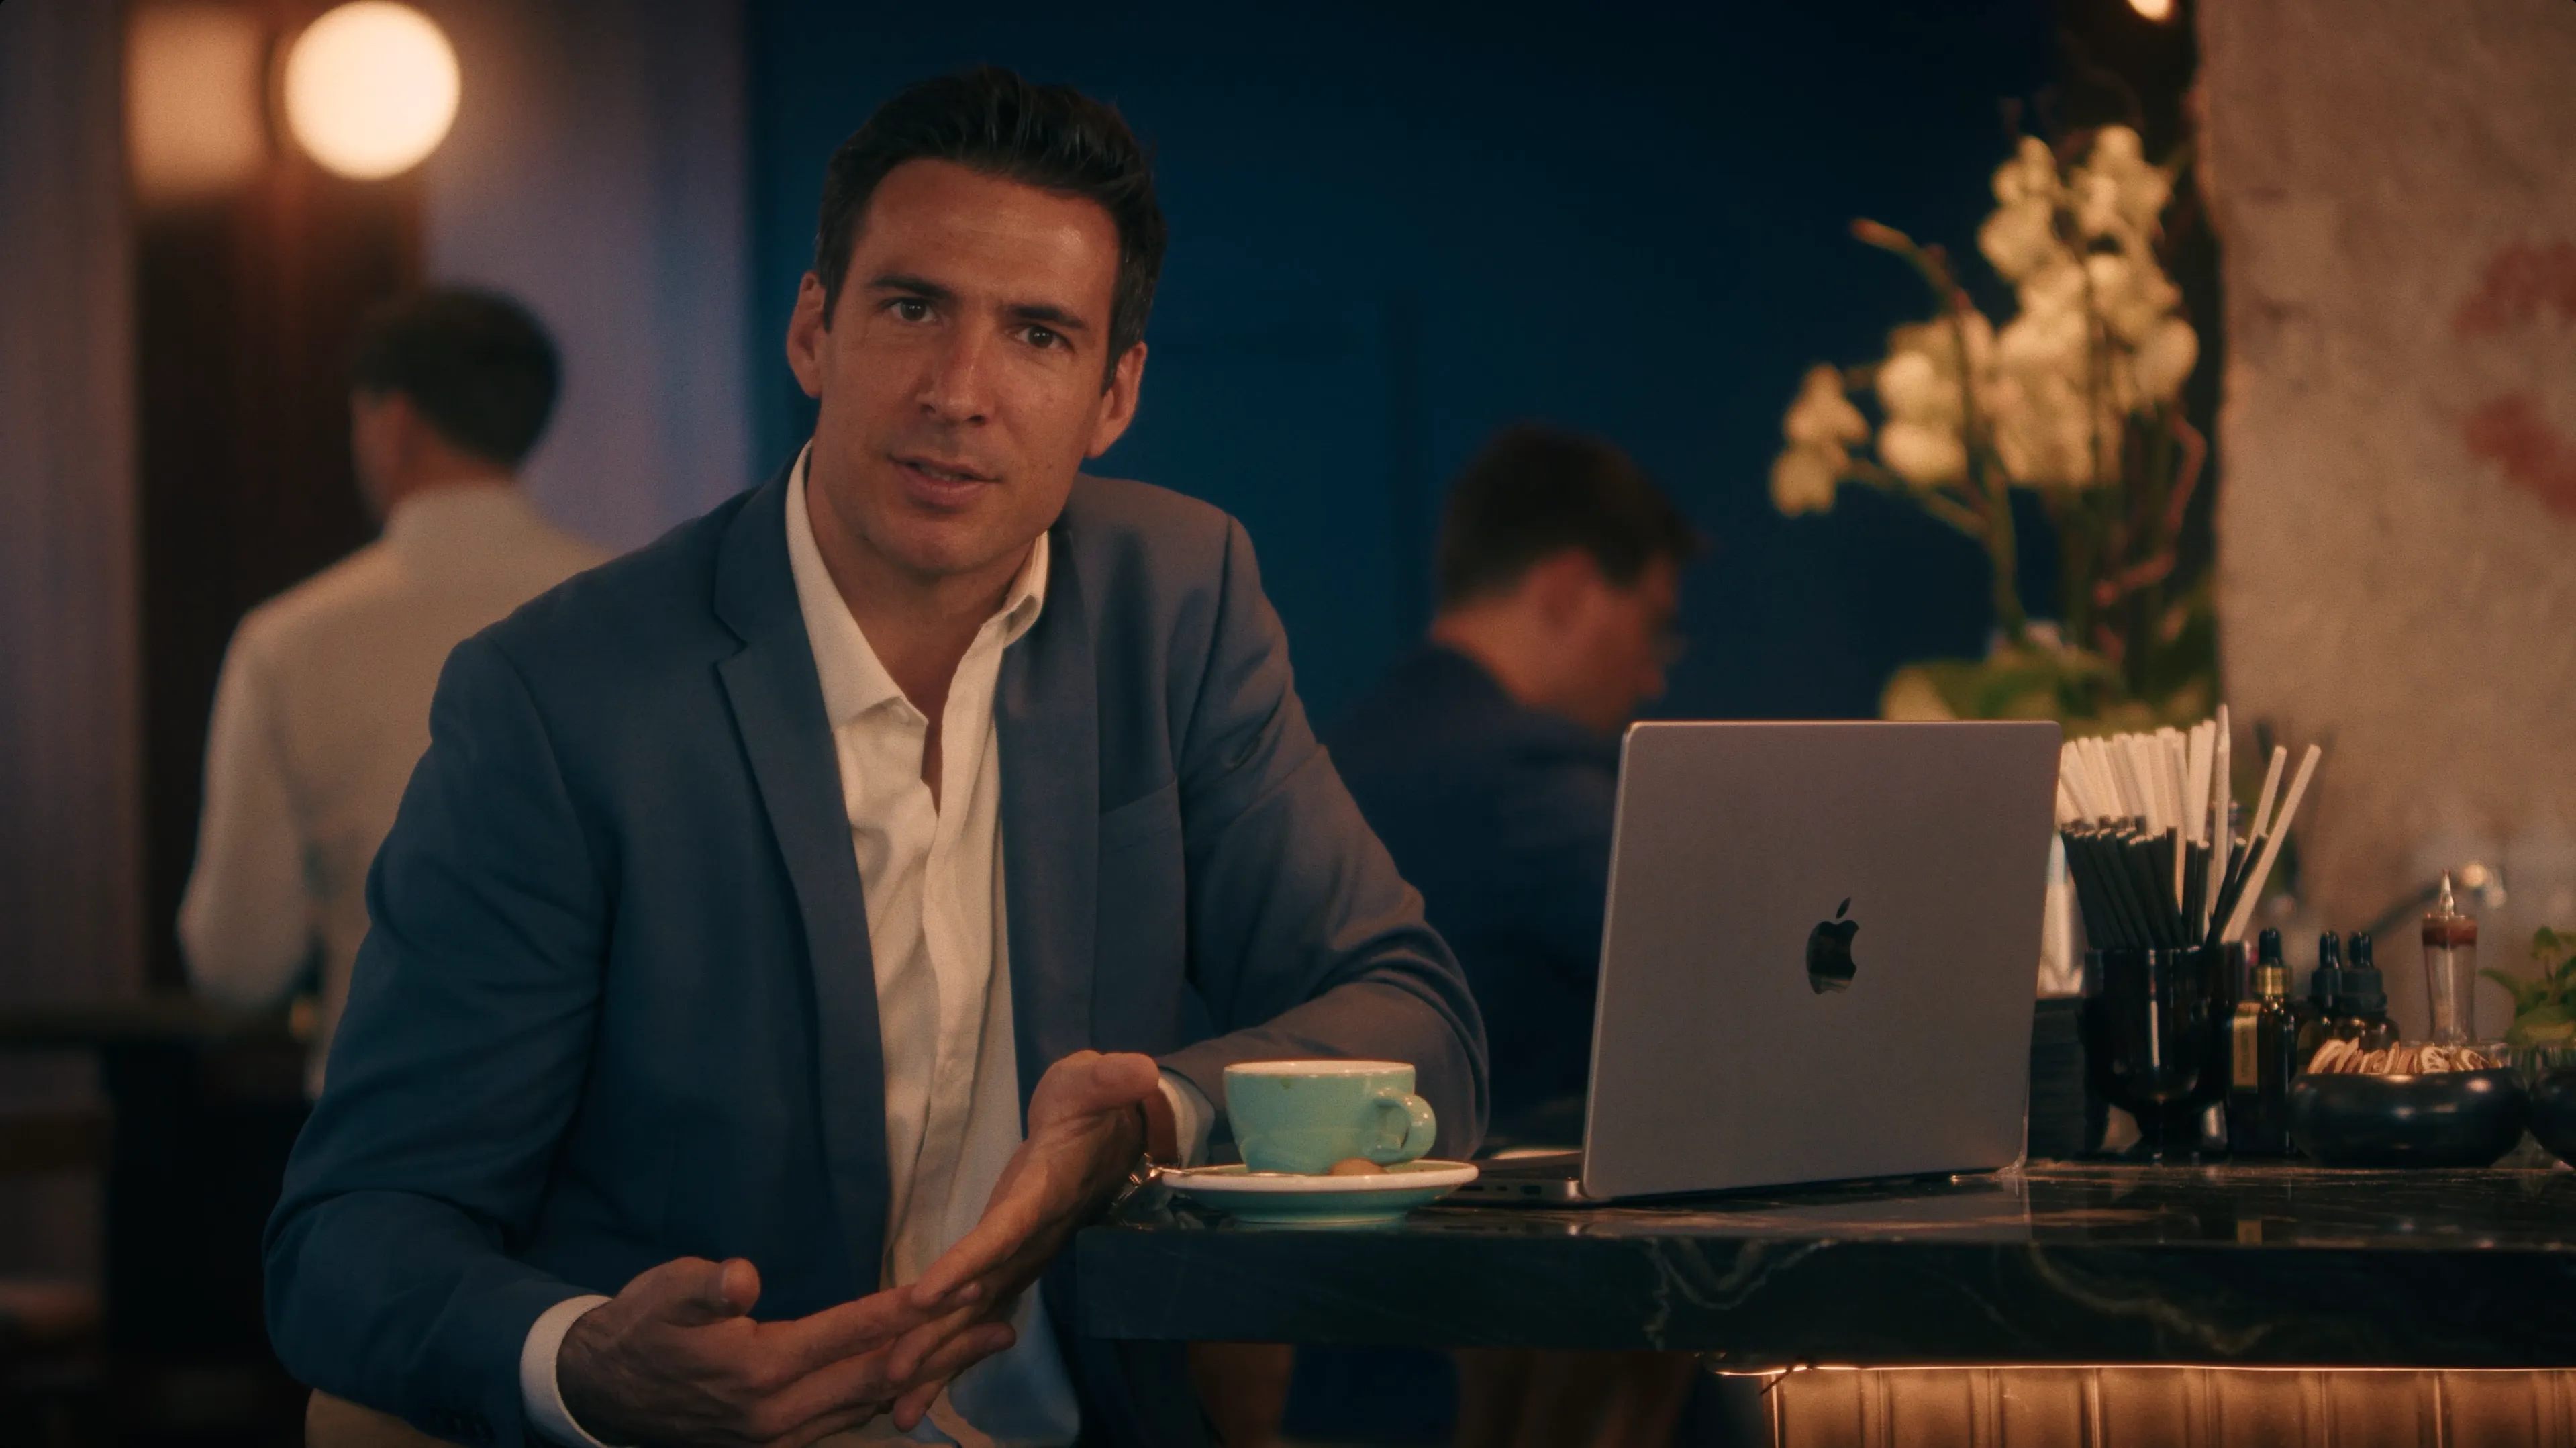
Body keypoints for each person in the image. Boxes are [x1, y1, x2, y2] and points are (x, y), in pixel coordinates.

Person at [262, 66, 1486, 1448]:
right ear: (812, 330)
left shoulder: (1174, 598)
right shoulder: (561, 695)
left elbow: (1409, 1014)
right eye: (911, 308)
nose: (959, 392)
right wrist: (591, 1361)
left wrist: (1159, 1114)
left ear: (1113, 396)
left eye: (1036, 334)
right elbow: (350, 1237)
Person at [1320, 426, 1697, 1448]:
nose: (1654, 676)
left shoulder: (1347, 747)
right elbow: (1727, 982)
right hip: (1479, 1369)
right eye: (1654, 627)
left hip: (1324, 1332)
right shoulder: (1524, 774)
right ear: (1571, 587)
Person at [179, 289, 604, 1096]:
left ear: (392, 422)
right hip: (604, 1125)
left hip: (385, 1122)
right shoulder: (640, 610)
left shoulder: (288, 642)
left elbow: (239, 962)